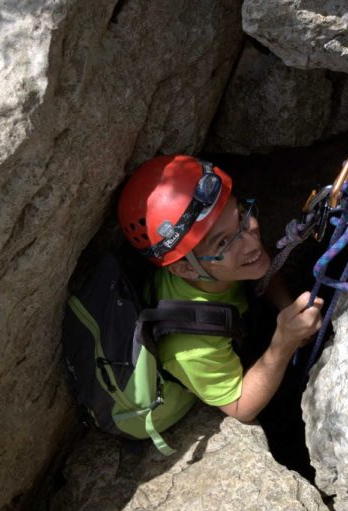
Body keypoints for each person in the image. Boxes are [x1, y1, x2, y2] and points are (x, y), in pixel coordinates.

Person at [117, 154, 324, 430]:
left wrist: (286, 305)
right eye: (224, 242)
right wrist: (283, 343)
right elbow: (241, 405)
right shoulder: (190, 346)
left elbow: (261, 264)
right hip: (181, 395)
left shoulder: (218, 264)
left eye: (241, 216)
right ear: (185, 270)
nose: (251, 240)